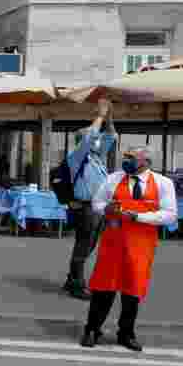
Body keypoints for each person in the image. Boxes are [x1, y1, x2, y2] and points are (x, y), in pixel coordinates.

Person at [81, 146, 176, 352]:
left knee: (132, 290)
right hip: (113, 243)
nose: (126, 160)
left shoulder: (163, 183)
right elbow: (97, 202)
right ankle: (92, 329)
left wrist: (139, 217)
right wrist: (106, 209)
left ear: (146, 162)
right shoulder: (114, 178)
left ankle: (126, 333)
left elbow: (169, 214)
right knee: (103, 288)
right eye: (126, 156)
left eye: (131, 158)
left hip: (141, 245)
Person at [63, 98, 117, 300]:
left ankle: (71, 278)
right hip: (86, 208)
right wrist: (100, 115)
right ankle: (77, 284)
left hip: (97, 208)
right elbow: (90, 136)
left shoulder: (97, 156)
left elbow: (110, 137)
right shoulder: (76, 156)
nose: (96, 139)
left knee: (88, 246)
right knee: (83, 246)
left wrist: (108, 118)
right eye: (92, 138)